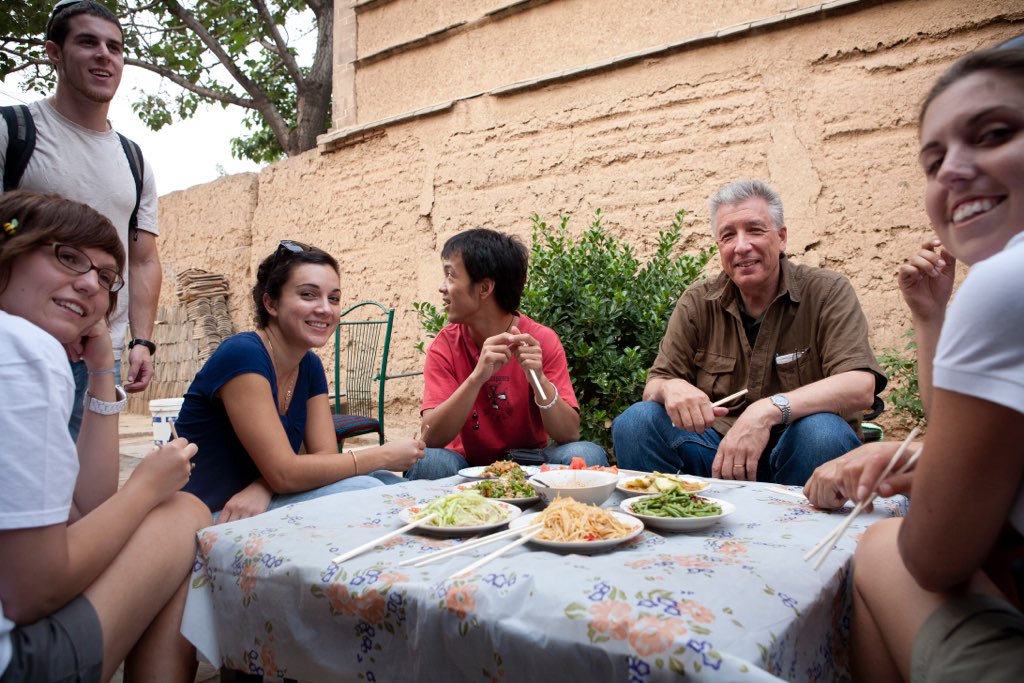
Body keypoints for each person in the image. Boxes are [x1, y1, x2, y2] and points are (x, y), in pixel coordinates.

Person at [803, 44, 1024, 681]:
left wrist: (926, 468)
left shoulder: (1005, 281)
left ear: (783, 239)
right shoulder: (702, 299)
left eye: (996, 134)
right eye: (933, 160)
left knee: (878, 548)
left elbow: (934, 559)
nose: (954, 171)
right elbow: (970, 431)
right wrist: (932, 316)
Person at [0, 190, 209, 683]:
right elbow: (32, 590)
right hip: (19, 664)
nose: (90, 284)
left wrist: (99, 368)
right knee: (185, 513)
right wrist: (144, 489)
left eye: (106, 277)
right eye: (67, 257)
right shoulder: (22, 349)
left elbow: (83, 510)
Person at [612, 180, 886, 485]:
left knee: (822, 432)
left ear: (781, 238)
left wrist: (766, 411)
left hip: (802, 454)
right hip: (717, 456)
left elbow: (861, 386)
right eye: (728, 235)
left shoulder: (827, 291)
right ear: (719, 246)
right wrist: (670, 387)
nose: (741, 246)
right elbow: (654, 385)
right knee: (636, 422)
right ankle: (674, 525)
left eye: (755, 230)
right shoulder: (697, 302)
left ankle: (803, 531)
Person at [0, 0, 161, 440]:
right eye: (87, 42)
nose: (104, 55)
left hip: (96, 353)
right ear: (54, 52)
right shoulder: (13, 131)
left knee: (86, 492)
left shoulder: (134, 159)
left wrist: (141, 340)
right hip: (18, 348)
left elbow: (143, 258)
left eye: (115, 46)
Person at [177, 240, 425, 520]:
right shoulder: (243, 355)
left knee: (391, 485)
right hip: (210, 513)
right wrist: (382, 455)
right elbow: (284, 473)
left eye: (333, 298)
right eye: (308, 295)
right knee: (366, 487)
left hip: (263, 499)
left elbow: (324, 458)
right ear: (271, 303)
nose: (325, 309)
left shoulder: (308, 365)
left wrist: (264, 485)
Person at [406, 228, 608, 480]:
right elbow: (431, 437)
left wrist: (538, 379)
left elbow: (569, 434)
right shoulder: (445, 345)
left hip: (530, 462)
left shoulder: (541, 340)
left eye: (450, 276)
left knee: (586, 454)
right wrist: (476, 378)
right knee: (430, 462)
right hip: (463, 465)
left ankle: (555, 519)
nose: (442, 288)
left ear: (484, 288)